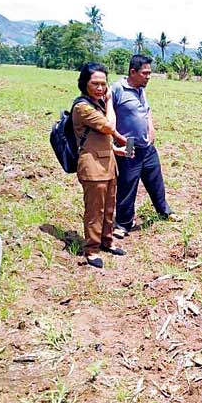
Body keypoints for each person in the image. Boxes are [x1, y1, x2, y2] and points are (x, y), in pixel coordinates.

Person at [108, 54, 178, 238]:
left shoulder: (140, 89)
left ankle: (164, 211)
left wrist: (151, 127)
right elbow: (109, 115)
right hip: (129, 144)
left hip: (146, 144)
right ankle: (123, 224)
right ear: (133, 72)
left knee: (155, 180)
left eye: (149, 73)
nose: (148, 76)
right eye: (145, 73)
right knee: (128, 184)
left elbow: (146, 110)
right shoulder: (117, 89)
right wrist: (115, 140)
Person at [73, 62, 129, 268]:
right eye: (95, 83)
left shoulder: (96, 104)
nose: (100, 88)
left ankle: (107, 240)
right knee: (95, 210)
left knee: (108, 208)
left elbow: (98, 138)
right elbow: (108, 127)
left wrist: (116, 150)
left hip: (108, 164)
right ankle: (92, 249)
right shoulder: (82, 107)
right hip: (92, 166)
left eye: (103, 84)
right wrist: (110, 103)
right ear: (84, 83)